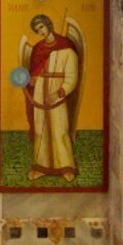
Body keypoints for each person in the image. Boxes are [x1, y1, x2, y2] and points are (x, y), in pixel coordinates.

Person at [20, 12, 83, 178]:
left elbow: (72, 77)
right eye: (37, 29)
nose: (40, 31)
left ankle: (67, 167)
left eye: (41, 26)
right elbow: (34, 71)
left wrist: (58, 93)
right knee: (41, 127)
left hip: (58, 92)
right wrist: (31, 80)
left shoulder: (67, 47)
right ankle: (41, 167)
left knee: (60, 128)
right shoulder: (38, 49)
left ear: (48, 24)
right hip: (40, 91)